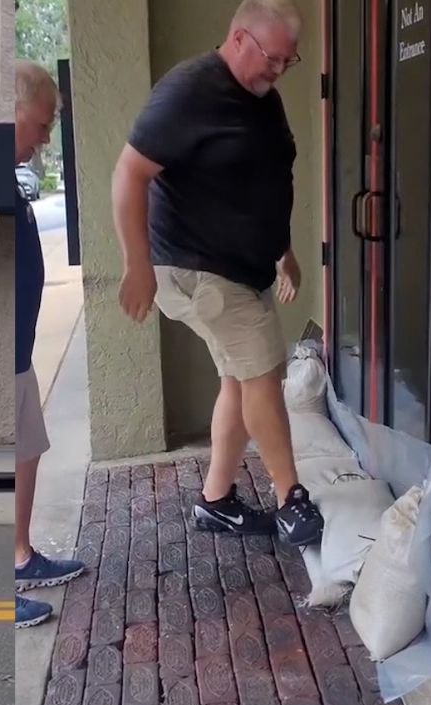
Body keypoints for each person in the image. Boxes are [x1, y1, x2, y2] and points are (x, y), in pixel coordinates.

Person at [111, 0, 323, 547]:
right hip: (198, 267)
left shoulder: (264, 101)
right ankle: (291, 499)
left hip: (243, 267)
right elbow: (128, 175)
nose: (278, 71)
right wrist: (136, 264)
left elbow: (269, 181)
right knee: (262, 376)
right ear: (238, 39)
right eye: (272, 59)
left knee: (238, 377)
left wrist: (283, 252)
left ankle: (215, 500)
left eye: (288, 61)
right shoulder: (188, 92)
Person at [14, 61, 85, 629]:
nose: (45, 137)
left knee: (27, 450)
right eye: (42, 122)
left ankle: (19, 558)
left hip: (16, 352)